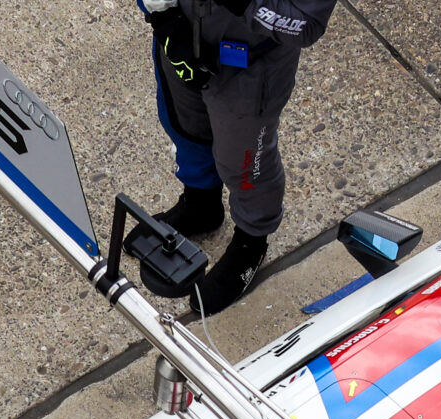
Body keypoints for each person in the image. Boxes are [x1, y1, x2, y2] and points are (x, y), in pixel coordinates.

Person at [141, 0, 336, 314]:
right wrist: (164, 17)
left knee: (245, 161)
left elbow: (304, 24)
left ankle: (251, 242)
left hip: (252, 64)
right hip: (178, 31)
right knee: (185, 127)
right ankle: (201, 204)